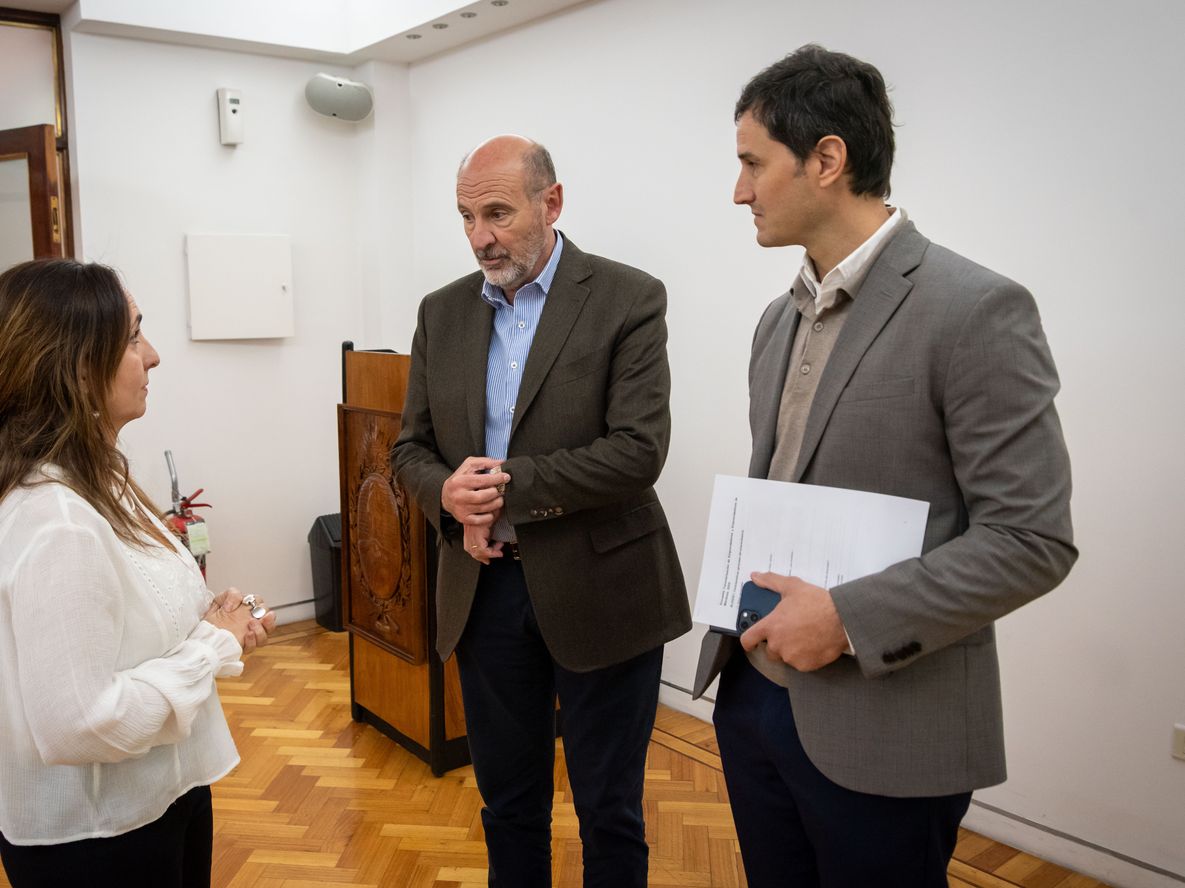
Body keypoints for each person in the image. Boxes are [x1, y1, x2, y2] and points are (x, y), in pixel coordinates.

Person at [692, 45, 1077, 888]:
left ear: (826, 159)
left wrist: (846, 619)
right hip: (753, 698)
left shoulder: (975, 310)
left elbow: (1031, 540)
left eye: (752, 164)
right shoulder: (776, 320)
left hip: (887, 724)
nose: (738, 191)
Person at [393, 135, 690, 888]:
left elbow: (637, 451)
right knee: (508, 807)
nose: (479, 238)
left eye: (497, 213)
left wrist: (498, 487)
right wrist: (445, 494)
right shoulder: (441, 312)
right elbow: (410, 450)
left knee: (609, 812)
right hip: (484, 590)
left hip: (602, 590)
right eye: (466, 217)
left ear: (551, 202)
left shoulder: (628, 297)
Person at [0, 258, 277, 888]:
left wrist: (217, 623)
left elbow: (128, 621)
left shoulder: (102, 478)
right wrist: (212, 648)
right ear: (77, 367)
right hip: (99, 837)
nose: (152, 355)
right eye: (131, 337)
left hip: (162, 795)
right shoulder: (57, 522)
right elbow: (80, 723)